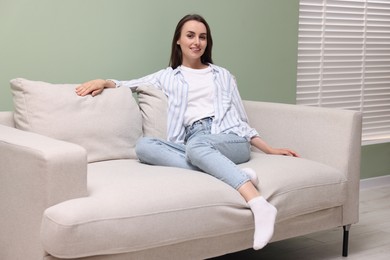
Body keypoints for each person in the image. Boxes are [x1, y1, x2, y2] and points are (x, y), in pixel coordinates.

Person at [76, 14, 299, 250]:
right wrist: (103, 81)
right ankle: (234, 172)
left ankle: (258, 203)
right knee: (144, 146)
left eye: (202, 37)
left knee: (197, 147)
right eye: (190, 36)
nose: (197, 42)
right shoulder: (167, 76)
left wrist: (269, 148)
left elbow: (241, 119)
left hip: (228, 138)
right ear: (178, 41)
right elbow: (129, 83)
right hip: (194, 140)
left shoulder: (223, 75)